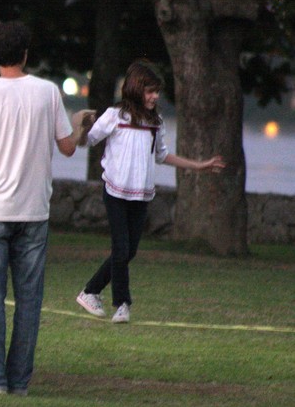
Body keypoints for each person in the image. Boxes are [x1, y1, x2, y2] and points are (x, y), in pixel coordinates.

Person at [0, 21, 83, 396]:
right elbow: (68, 147)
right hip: (35, 211)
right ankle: (19, 381)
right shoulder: (47, 92)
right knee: (29, 302)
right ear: (26, 54)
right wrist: (78, 124)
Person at [75, 60, 226, 323]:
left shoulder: (155, 123)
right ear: (135, 88)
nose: (155, 96)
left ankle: (90, 291)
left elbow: (162, 156)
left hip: (141, 195)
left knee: (128, 252)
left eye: (156, 91)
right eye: (149, 91)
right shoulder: (114, 116)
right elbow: (86, 141)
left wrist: (199, 165)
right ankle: (122, 304)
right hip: (115, 193)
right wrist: (80, 125)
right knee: (121, 250)